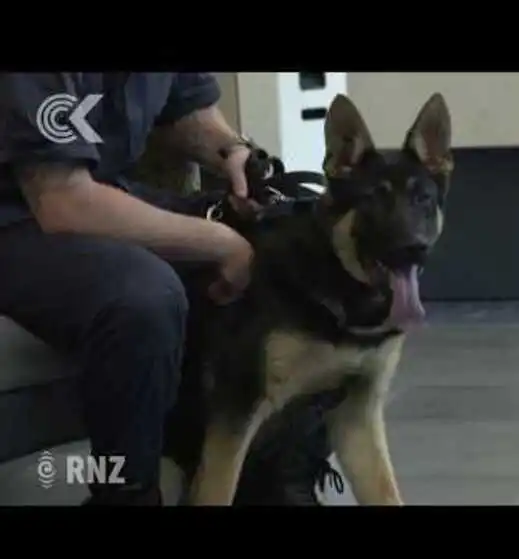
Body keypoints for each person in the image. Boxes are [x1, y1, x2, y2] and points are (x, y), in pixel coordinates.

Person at [0, 73, 339, 506]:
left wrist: (233, 151)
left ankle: (274, 482)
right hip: (21, 214)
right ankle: (127, 494)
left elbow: (188, 107)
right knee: (143, 298)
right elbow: (62, 201)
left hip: (99, 191)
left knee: (301, 248)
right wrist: (220, 242)